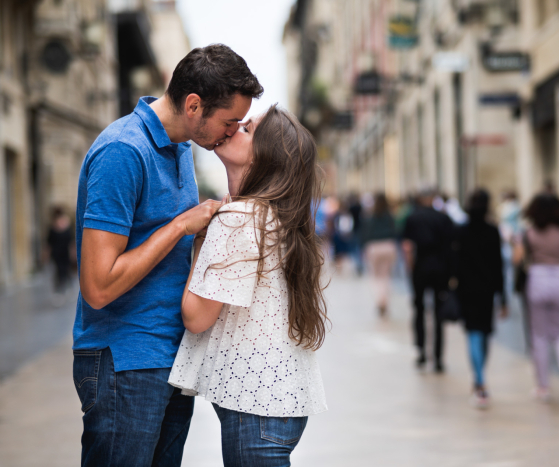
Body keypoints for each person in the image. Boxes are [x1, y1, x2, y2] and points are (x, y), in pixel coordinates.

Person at [72, 44, 263, 467]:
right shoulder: (122, 151)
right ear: (194, 105)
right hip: (126, 361)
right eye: (228, 122)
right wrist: (179, 225)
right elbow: (97, 287)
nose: (231, 132)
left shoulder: (179, 148)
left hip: (171, 359)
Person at [168, 106, 327, 466]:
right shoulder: (276, 217)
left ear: (265, 156)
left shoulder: (239, 218)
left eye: (248, 129)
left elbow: (196, 317)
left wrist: (196, 244)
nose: (236, 127)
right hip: (279, 404)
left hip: (254, 406)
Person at [514, 194, 559, 401]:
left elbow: (516, 258)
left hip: (538, 278)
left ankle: (543, 387)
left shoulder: (530, 233)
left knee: (540, 336)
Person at [453, 189, 507, 408]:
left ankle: (479, 379)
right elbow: (498, 266)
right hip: (487, 291)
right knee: (482, 333)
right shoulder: (492, 231)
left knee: (475, 333)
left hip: (467, 290)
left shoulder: (461, 231)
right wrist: (503, 297)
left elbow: (454, 262)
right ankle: (480, 379)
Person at [402, 191, 454, 372]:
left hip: (420, 268)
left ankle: (422, 351)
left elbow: (408, 247)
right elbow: (451, 247)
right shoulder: (444, 218)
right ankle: (438, 357)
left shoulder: (413, 218)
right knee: (439, 311)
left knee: (419, 309)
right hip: (441, 269)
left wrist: (410, 268)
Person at [361, 193, 398, 316]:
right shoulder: (390, 216)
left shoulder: (370, 216)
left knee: (376, 277)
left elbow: (365, 233)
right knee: (386, 276)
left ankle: (380, 301)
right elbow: (395, 231)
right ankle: (384, 301)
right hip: (388, 246)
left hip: (374, 247)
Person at [47, 206, 74, 294]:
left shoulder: (62, 225)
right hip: (59, 252)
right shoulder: (54, 227)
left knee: (64, 269)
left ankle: (64, 286)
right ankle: (61, 287)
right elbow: (49, 242)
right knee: (60, 269)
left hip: (62, 252)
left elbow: (49, 242)